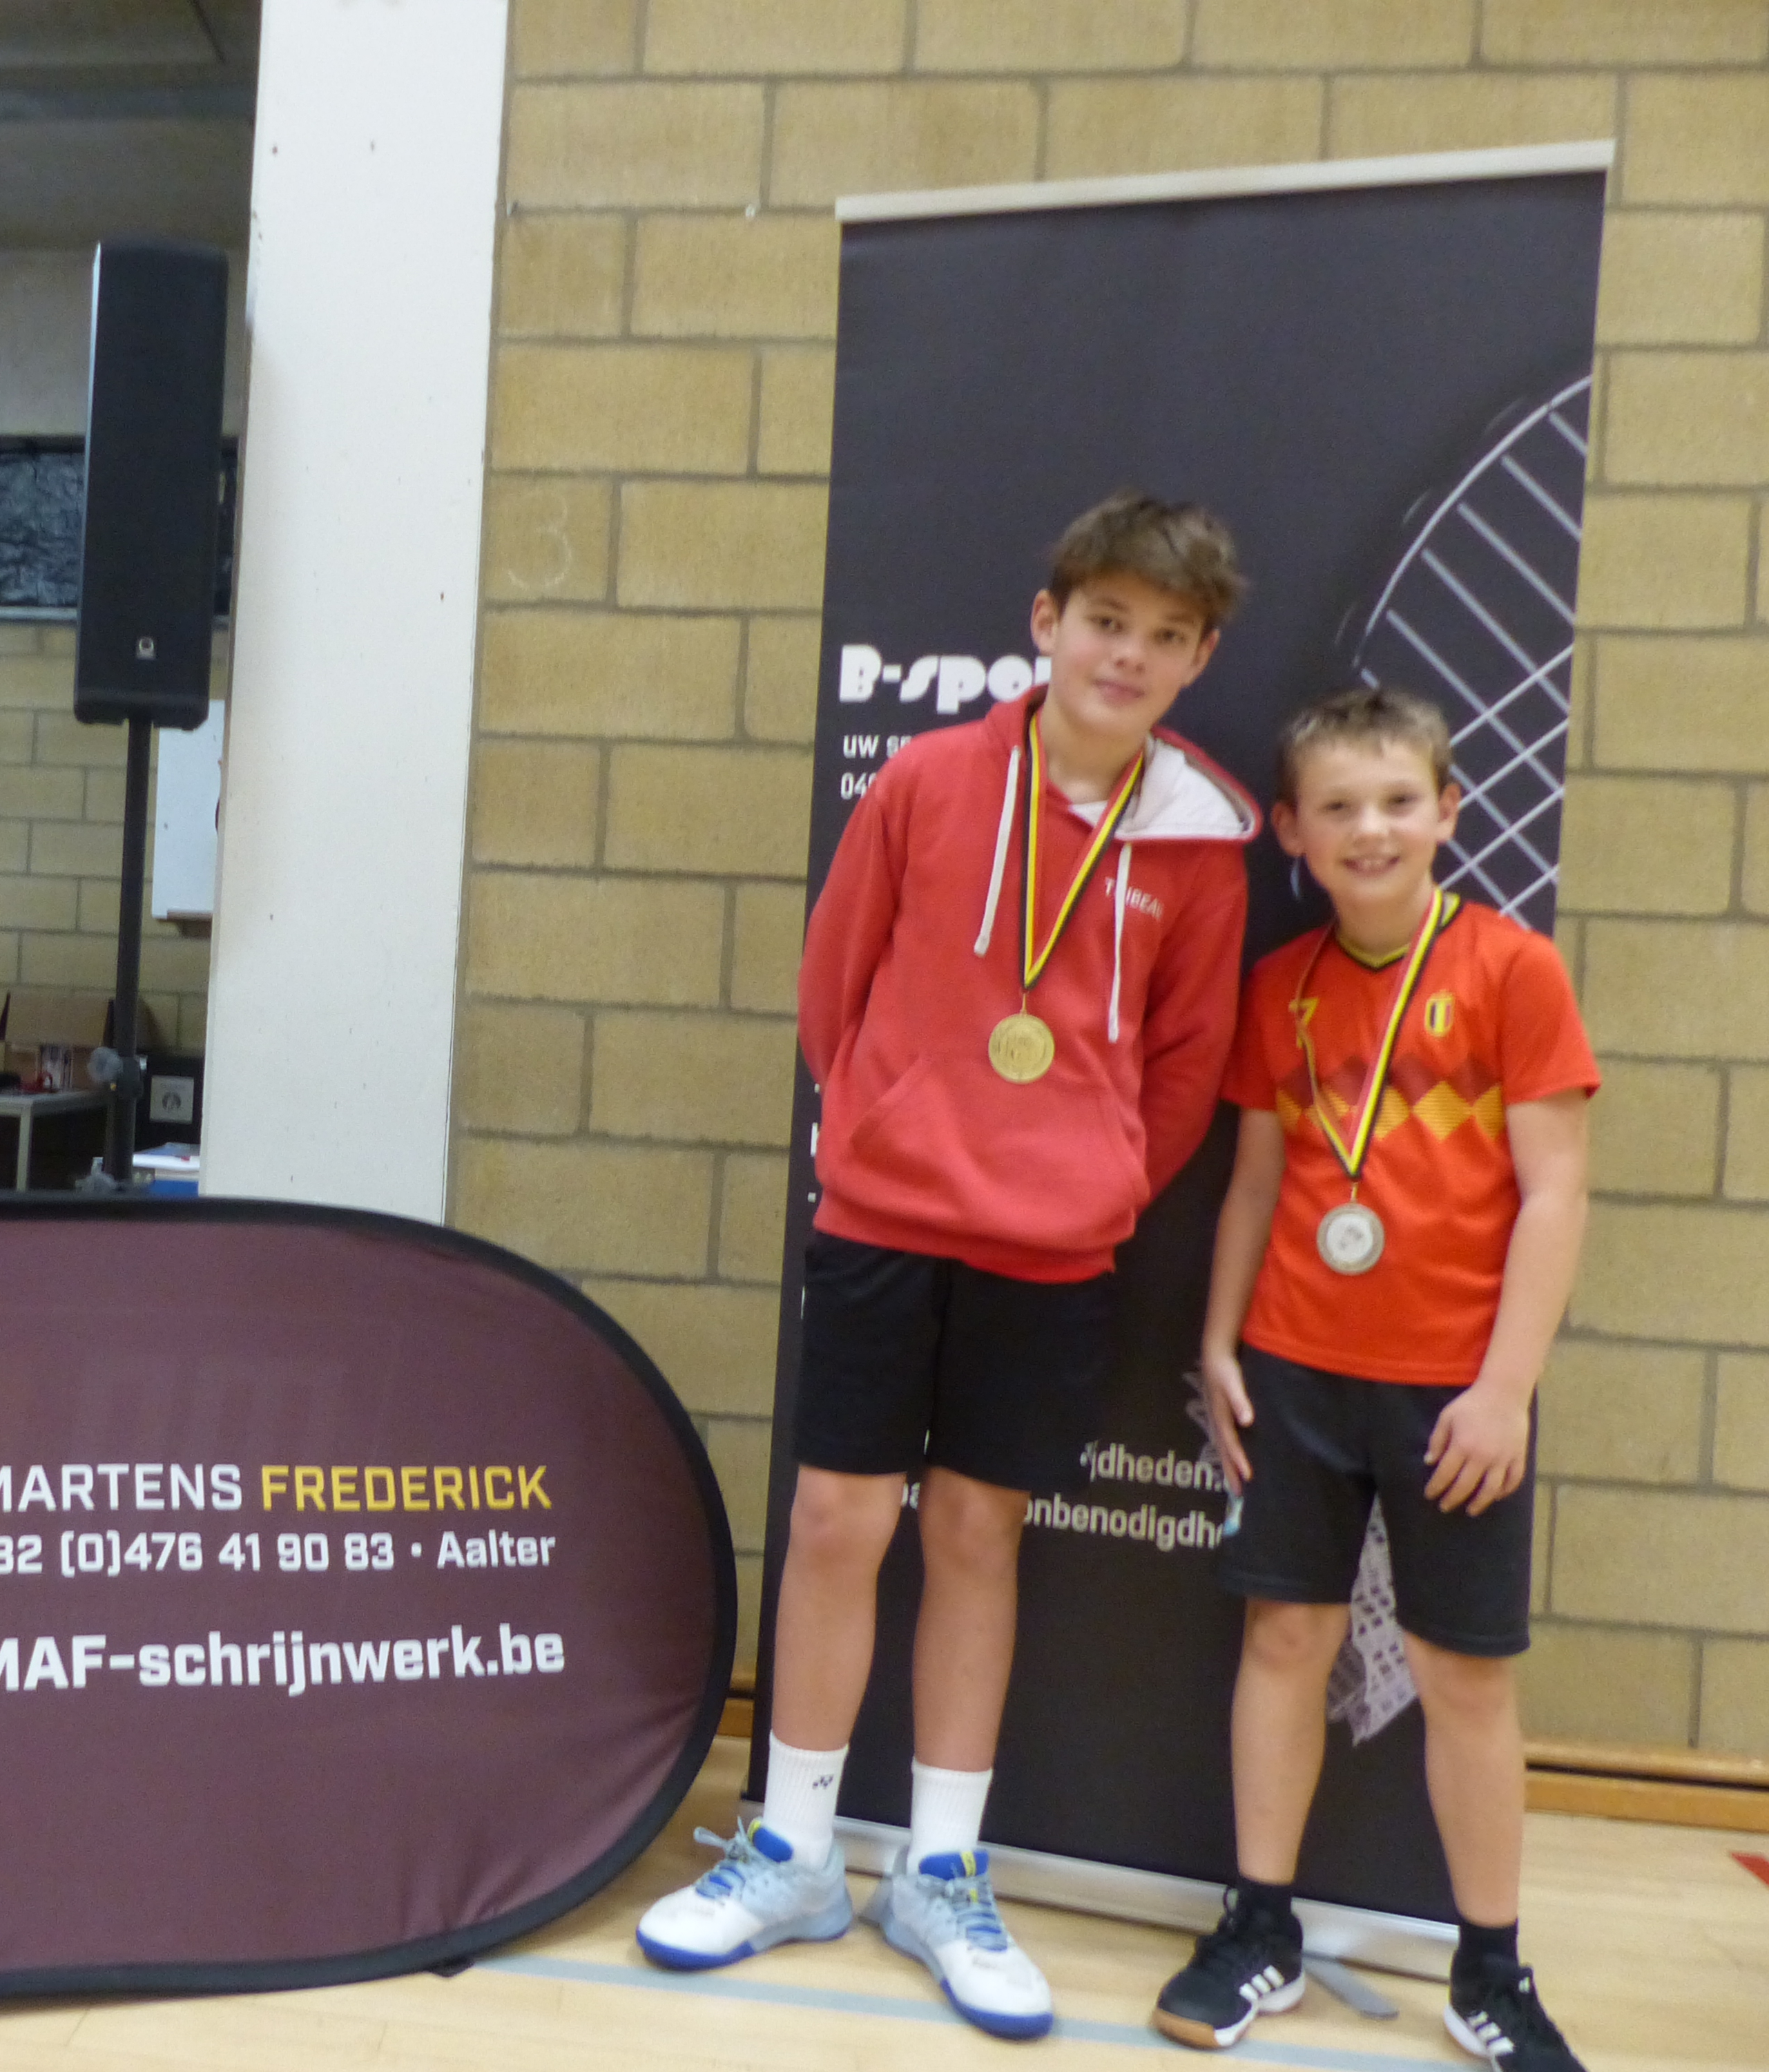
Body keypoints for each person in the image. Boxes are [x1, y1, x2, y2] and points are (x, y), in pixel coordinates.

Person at [637, 492, 1258, 2040]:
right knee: (837, 1520)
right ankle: (791, 1852)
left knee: (979, 1535)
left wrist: (1090, 1178)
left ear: (1197, 660)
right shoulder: (924, 780)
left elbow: (1187, 1067)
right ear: (1046, 623)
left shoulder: (1198, 841)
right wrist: (888, 1127)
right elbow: (831, 987)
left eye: (1164, 636)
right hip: (883, 1219)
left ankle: (938, 1870)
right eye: (1104, 621)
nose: (1126, 655)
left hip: (1053, 1251)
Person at [1153, 686, 1594, 2071]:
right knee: (1282, 1643)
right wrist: (1220, 1341)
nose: (1371, 829)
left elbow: (1555, 1192)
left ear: (1448, 811)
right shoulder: (1278, 987)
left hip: (1454, 1393)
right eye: (1337, 806)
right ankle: (1259, 1927)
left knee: (1461, 1674)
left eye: (1399, 801)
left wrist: (1505, 1390)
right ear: (1289, 829)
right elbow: (1254, 1183)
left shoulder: (1513, 970)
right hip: (1293, 1373)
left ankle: (1492, 1971)